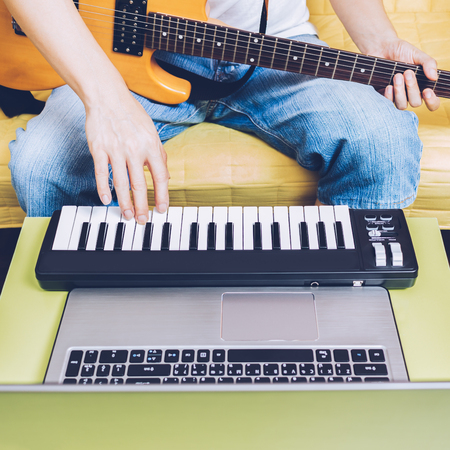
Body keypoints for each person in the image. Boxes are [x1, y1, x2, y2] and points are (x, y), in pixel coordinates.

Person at [5, 0, 441, 225]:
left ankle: (334, 312)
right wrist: (106, 99)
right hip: (119, 55)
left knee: (382, 140)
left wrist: (378, 41)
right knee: (44, 167)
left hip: (274, 50)